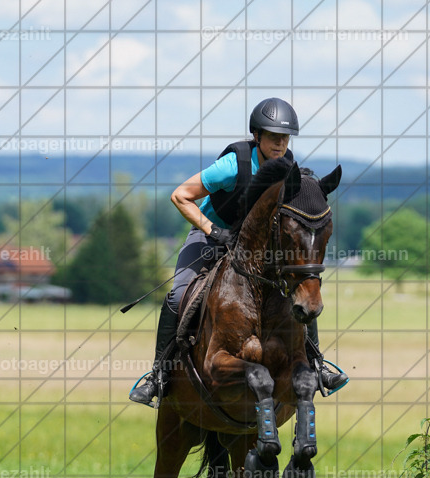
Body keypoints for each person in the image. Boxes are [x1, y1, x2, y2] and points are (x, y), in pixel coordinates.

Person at [129, 97, 348, 407]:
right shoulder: (233, 165)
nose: (280, 144)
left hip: (254, 250)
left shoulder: (289, 170)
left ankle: (316, 363)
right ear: (256, 136)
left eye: (285, 138)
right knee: (178, 295)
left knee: (298, 291)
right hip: (210, 236)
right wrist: (212, 230)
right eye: (273, 137)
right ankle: (159, 374)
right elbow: (180, 196)